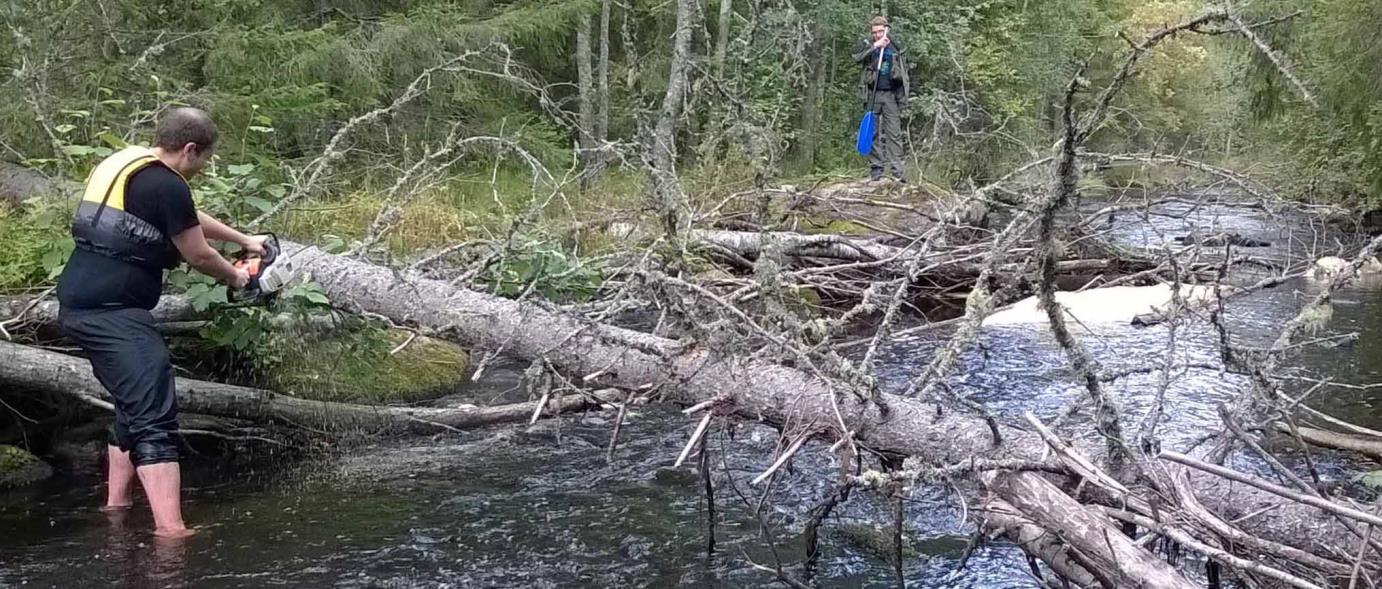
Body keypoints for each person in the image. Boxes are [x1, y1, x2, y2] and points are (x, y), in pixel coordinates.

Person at [56, 107, 265, 538]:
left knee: (132, 404)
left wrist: (245, 240)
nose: (203, 168)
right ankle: (172, 532)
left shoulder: (129, 163)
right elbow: (198, 254)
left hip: (81, 303)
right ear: (191, 149)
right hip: (112, 314)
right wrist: (239, 277)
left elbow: (185, 216)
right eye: (204, 159)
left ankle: (117, 506)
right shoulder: (167, 184)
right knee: (155, 414)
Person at [853, 15, 911, 183]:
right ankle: (876, 169)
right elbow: (857, 58)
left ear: (887, 29)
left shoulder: (895, 45)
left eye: (881, 31)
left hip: (891, 95)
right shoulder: (868, 44)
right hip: (873, 93)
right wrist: (875, 46)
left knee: (894, 134)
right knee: (872, 132)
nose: (878, 35)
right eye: (875, 32)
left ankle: (898, 172)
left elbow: (906, 64)